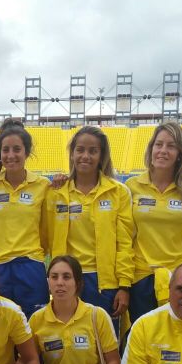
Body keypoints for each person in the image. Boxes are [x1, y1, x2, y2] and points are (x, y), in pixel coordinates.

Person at [48, 126, 134, 333]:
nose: (85, 156)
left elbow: (125, 243)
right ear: (72, 153)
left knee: (104, 344)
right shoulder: (56, 193)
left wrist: (123, 286)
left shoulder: (118, 192)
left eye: (93, 151)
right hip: (67, 279)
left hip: (104, 283)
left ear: (101, 156)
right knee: (70, 340)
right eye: (80, 150)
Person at [125, 122, 182, 323]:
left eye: (171, 146)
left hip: (177, 277)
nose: (163, 151)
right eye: (159, 145)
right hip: (141, 276)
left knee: (177, 338)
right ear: (151, 149)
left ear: (180, 153)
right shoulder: (132, 185)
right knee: (143, 337)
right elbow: (125, 235)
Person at [0, 119, 50, 318]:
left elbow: (47, 227)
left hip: (30, 265)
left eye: (17, 149)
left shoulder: (43, 184)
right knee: (0, 324)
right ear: (0, 154)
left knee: (34, 323)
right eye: (5, 150)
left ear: (26, 152)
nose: (11, 155)